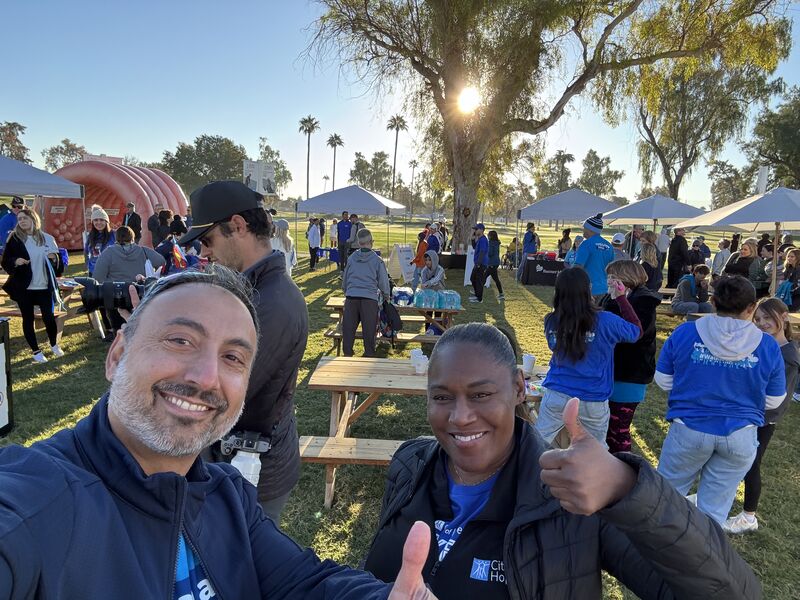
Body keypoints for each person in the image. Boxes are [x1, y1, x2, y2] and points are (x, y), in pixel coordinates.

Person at [0, 267, 435, 599]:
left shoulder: (225, 495)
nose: (207, 377)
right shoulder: (39, 498)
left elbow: (303, 581)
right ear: (117, 356)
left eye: (233, 358)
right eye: (180, 340)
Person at [363, 323, 761, 599]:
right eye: (442, 396)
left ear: (519, 388)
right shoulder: (410, 463)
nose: (460, 416)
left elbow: (732, 593)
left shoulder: (575, 498)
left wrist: (628, 489)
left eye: (481, 395)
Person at [181, 180, 309, 523]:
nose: (204, 253)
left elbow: (221, 391)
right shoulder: (252, 289)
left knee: (244, 567)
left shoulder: (273, 302)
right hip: (236, 459)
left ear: (237, 226)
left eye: (207, 241)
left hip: (255, 469)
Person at [656, 275, 785, 526]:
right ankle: (700, 559)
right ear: (752, 308)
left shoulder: (686, 331)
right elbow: (774, 399)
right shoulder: (768, 345)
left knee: (666, 499)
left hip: (688, 428)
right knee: (713, 512)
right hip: (741, 434)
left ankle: (657, 552)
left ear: (713, 302)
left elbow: (663, 380)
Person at [536, 267, 641, 446]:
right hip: (593, 399)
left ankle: (530, 473)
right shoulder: (606, 321)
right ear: (588, 289)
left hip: (558, 394)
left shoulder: (552, 320)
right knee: (595, 452)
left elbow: (555, 345)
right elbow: (636, 331)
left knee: (536, 445)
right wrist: (622, 299)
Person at [724, 298, 800, 534]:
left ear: (784, 317)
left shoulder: (787, 355)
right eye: (757, 319)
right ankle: (717, 494)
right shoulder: (760, 345)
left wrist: (756, 414)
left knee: (751, 464)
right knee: (732, 458)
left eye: (768, 318)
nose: (762, 323)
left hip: (762, 419)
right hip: (745, 412)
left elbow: (779, 399)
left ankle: (749, 516)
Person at [600, 261, 662, 453]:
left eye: (612, 277)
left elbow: (635, 334)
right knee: (607, 429)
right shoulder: (613, 297)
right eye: (608, 277)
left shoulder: (644, 301)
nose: (608, 281)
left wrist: (617, 299)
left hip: (630, 373)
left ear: (625, 278)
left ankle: (624, 469)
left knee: (618, 430)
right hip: (612, 371)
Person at [0, 208, 64, 363]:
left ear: (34, 219)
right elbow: (5, 261)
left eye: (25, 218)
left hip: (44, 285)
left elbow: (59, 265)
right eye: (20, 219)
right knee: (27, 319)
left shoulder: (48, 238)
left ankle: (54, 345)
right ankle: (36, 351)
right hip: (24, 287)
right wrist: (15, 261)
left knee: (49, 317)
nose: (21, 221)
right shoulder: (14, 239)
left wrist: (54, 258)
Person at [93, 225, 166, 335]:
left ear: (116, 238)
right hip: (138, 293)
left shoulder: (108, 253)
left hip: (115, 296)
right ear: (133, 237)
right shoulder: (142, 250)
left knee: (119, 330)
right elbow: (161, 261)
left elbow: (97, 277)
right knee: (139, 328)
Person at [342, 227, 390, 357]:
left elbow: (345, 280)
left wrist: (347, 292)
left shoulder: (351, 258)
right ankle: (369, 355)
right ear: (372, 242)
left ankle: (347, 356)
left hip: (351, 298)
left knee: (348, 331)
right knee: (369, 332)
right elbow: (384, 283)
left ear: (358, 243)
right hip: (369, 299)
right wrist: (386, 296)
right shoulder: (377, 260)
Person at [574, 213, 614, 299]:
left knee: (587, 312)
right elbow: (612, 268)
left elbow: (577, 267)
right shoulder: (609, 246)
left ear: (590, 229)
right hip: (605, 289)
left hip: (588, 289)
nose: (583, 230)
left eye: (584, 228)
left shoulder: (586, 244)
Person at [85, 205, 116, 277]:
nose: (99, 222)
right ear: (92, 222)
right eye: (96, 220)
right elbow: (86, 252)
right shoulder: (90, 236)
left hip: (110, 273)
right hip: (94, 272)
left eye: (101, 220)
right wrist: (88, 265)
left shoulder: (114, 234)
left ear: (106, 221)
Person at [469, 223, 489, 303]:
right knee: (473, 278)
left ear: (481, 230)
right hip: (478, 263)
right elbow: (474, 247)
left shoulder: (483, 239)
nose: (475, 230)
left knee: (478, 281)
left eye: (476, 229)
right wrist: (473, 238)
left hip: (481, 263)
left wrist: (478, 263)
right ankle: (477, 294)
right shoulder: (480, 239)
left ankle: (479, 298)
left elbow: (482, 251)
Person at [486, 230, 504, 301]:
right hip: (496, 262)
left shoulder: (491, 243)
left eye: (488, 235)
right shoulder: (497, 243)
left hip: (492, 263)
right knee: (496, 279)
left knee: (484, 277)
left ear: (490, 236)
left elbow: (490, 253)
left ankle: (477, 292)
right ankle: (501, 294)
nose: (487, 235)